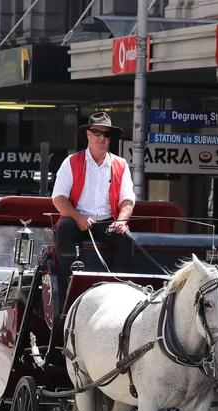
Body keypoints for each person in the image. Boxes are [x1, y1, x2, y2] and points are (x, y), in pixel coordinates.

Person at [52, 112, 135, 296]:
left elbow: (127, 200)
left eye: (106, 134)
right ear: (88, 134)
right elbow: (58, 198)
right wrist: (78, 218)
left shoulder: (120, 164)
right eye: (97, 133)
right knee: (65, 227)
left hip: (107, 222)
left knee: (126, 239)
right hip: (77, 220)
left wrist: (121, 221)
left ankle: (119, 288)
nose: (102, 138)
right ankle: (67, 284)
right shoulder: (72, 162)